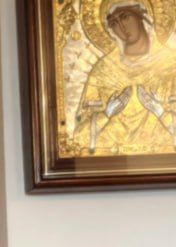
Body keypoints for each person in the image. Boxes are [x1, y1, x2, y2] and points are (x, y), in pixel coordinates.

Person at [74, 0, 176, 154]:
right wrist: (106, 114)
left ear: (142, 15)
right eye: (114, 23)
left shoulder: (170, 65)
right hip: (109, 158)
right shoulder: (103, 70)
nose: (122, 27)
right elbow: (79, 137)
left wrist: (160, 112)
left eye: (125, 17)